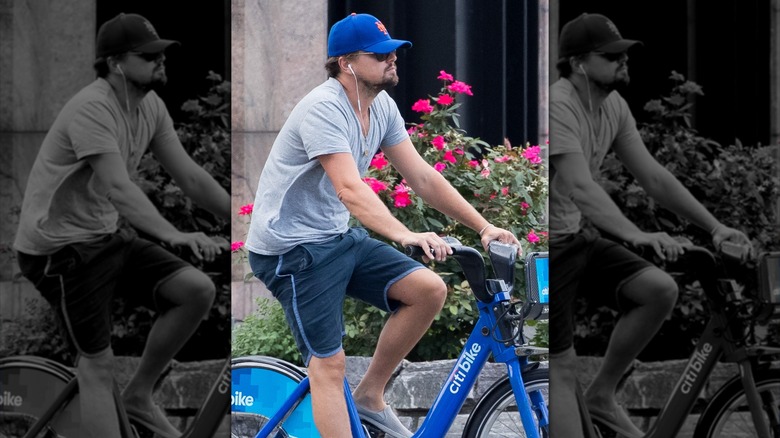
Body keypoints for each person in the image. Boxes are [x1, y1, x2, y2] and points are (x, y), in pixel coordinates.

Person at [244, 12, 521, 437]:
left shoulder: (381, 106)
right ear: (346, 62)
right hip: (293, 251)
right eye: (380, 54)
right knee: (329, 365)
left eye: (393, 51)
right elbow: (350, 190)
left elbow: (423, 177)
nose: (393, 59)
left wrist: (483, 227)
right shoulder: (324, 109)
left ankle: (370, 395)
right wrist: (405, 233)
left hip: (336, 239)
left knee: (427, 290)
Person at [13, 13, 230, 438]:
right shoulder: (93, 109)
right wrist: (174, 233)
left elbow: (189, 177)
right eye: (147, 56)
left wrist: (251, 218)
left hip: (105, 237)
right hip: (61, 251)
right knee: (96, 364)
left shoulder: (149, 107)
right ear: (115, 63)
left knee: (195, 290)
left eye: (161, 54)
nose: (159, 61)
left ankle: (138, 395)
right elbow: (118, 187)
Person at [548, 12, 751, 438]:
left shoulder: (613, 107)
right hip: (547, 249)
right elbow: (580, 186)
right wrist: (637, 234)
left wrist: (715, 228)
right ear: (580, 62)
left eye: (624, 55)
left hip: (576, 238)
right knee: (560, 368)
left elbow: (653, 177)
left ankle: (602, 393)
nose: (623, 63)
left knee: (658, 290)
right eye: (612, 56)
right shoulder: (558, 105)